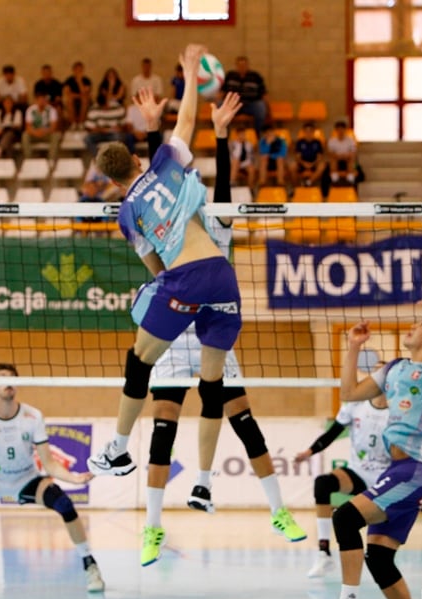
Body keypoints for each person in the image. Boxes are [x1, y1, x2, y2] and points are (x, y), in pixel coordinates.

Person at [127, 86, 305, 566]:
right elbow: (154, 182)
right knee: (162, 429)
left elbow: (218, 184)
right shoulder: (170, 211)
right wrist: (153, 130)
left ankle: (278, 511)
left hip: (212, 325)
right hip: (174, 325)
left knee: (244, 422)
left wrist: (222, 136)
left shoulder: (216, 221)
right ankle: (152, 528)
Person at [89, 46, 243, 518]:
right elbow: (187, 124)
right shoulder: (166, 163)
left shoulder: (127, 212)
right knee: (212, 380)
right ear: (138, 159)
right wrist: (190, 74)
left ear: (113, 182)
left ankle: (117, 447)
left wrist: (174, 298)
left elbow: (156, 267)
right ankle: (203, 483)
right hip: (224, 277)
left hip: (185, 279)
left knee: (140, 361)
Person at [305, 302, 422, 599]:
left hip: (417, 469)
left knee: (345, 517)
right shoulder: (393, 368)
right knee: (379, 558)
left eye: (420, 325)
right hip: (396, 470)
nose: (412, 327)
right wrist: (354, 347)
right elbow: (349, 393)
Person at [295, 350, 422, 581]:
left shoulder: (401, 411)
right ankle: (324, 552)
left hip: (391, 475)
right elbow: (333, 432)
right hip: (359, 471)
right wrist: (309, 451)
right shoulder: (355, 404)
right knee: (323, 484)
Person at [0, 364, 105, 592]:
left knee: (64, 504)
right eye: (3, 377)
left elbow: (49, 463)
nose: (9, 382)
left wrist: (74, 479)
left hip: (27, 479)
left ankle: (89, 563)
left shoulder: (32, 416)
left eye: (13, 377)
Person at [221, 56, 268, 134]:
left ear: (247, 65)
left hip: (251, 103)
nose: (242, 67)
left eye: (244, 65)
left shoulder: (255, 76)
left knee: (261, 108)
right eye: (240, 65)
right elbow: (222, 91)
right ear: (236, 66)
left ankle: (258, 134)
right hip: (233, 104)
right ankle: (224, 135)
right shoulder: (230, 76)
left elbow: (263, 93)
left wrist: (267, 107)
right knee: (220, 106)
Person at [23, 92, 59, 159]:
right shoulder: (30, 110)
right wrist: (36, 132)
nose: (42, 102)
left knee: (56, 135)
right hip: (34, 134)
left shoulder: (52, 110)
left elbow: (53, 127)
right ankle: (28, 159)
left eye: (43, 100)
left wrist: (44, 131)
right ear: (36, 100)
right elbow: (28, 127)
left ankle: (51, 160)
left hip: (47, 134)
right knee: (25, 135)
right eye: (40, 100)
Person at [326, 120, 357, 187]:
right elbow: (330, 153)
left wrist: (346, 156)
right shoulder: (332, 141)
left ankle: (350, 180)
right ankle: (335, 180)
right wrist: (338, 156)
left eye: (342, 129)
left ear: (345, 130)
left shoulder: (350, 140)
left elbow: (353, 152)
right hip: (337, 158)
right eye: (338, 129)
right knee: (332, 160)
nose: (340, 131)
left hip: (347, 158)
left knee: (352, 159)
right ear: (336, 130)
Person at [64, 61, 93, 128]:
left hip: (84, 101)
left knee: (84, 99)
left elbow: (85, 93)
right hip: (73, 100)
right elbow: (68, 93)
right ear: (73, 70)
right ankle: (73, 123)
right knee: (69, 100)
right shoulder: (69, 80)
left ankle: (81, 123)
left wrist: (79, 82)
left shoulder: (87, 80)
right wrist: (80, 95)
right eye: (77, 69)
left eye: (81, 69)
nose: (79, 71)